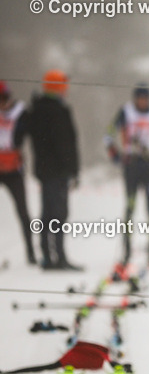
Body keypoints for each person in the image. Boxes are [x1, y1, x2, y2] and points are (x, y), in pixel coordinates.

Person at [104, 83, 149, 266]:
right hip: (132, 165)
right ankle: (126, 250)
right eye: (139, 98)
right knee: (130, 208)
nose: (142, 102)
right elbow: (109, 133)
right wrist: (115, 155)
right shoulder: (126, 112)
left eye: (145, 98)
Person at [23, 70, 82, 271]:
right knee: (57, 214)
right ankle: (57, 258)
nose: (66, 90)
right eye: (63, 86)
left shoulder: (37, 109)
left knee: (48, 214)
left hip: (46, 171)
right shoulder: (56, 111)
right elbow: (65, 144)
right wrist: (72, 170)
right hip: (57, 172)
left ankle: (49, 256)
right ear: (57, 87)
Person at [0, 81, 36, 265]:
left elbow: (34, 131)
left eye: (3, 99)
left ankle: (31, 254)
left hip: (14, 169)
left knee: (23, 211)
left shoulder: (20, 112)